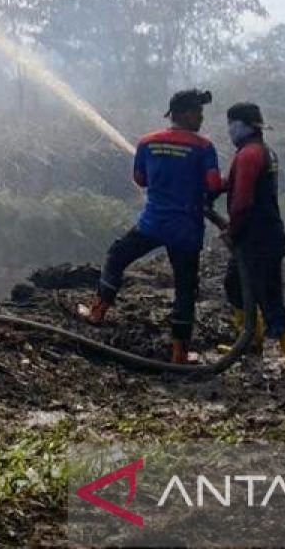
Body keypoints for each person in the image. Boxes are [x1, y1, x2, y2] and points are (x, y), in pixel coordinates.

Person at [85, 89, 224, 363]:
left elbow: (140, 179)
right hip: (186, 229)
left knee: (117, 255)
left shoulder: (147, 143)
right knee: (185, 288)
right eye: (198, 112)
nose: (201, 118)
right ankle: (179, 353)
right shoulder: (204, 148)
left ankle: (98, 311)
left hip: (153, 224)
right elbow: (213, 186)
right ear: (183, 113)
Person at [218, 102, 285, 369]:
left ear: (242, 126)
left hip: (259, 239)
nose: (229, 130)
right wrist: (212, 187)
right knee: (235, 287)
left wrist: (231, 230)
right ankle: (250, 341)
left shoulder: (250, 154)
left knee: (270, 301)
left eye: (231, 124)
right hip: (257, 237)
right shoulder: (258, 152)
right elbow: (233, 183)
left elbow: (242, 201)